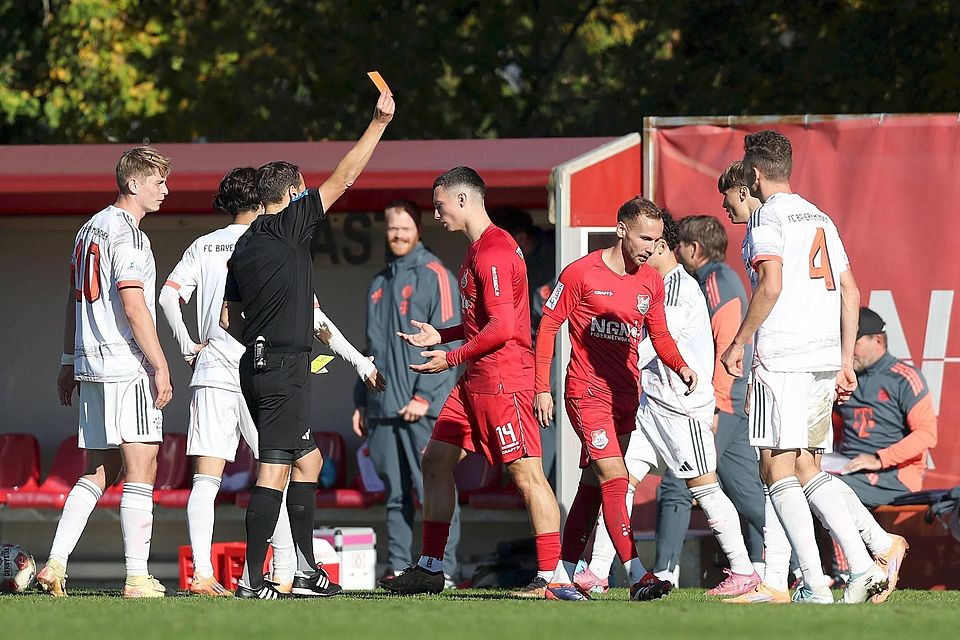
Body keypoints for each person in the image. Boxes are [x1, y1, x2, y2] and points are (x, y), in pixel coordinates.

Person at [221, 91, 394, 600]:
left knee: (309, 462)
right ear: (293, 192)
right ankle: (254, 582)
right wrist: (379, 123)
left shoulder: (245, 244)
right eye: (302, 191)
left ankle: (304, 568)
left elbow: (230, 318)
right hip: (281, 369)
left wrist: (278, 332)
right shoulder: (289, 224)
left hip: (258, 367)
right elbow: (345, 177)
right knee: (274, 467)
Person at [719, 132, 890, 604]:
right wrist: (841, 360)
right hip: (818, 359)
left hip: (782, 357)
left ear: (753, 174)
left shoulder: (766, 217)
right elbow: (851, 292)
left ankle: (818, 580)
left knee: (775, 469)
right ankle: (858, 564)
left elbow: (769, 286)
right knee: (805, 465)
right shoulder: (820, 216)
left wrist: (740, 342)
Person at [385, 167, 563, 598]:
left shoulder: (495, 251)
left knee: (527, 477)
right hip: (475, 380)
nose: (437, 212)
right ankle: (430, 567)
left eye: (440, 203)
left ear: (463, 200)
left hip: (505, 381)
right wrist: (442, 334)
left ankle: (553, 578)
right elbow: (482, 321)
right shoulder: (476, 250)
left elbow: (503, 328)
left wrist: (450, 357)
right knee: (436, 461)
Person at [533, 197, 697, 601]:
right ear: (621, 229)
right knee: (616, 478)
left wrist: (681, 367)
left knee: (593, 486)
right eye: (645, 238)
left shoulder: (650, 282)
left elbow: (659, 335)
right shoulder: (581, 273)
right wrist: (542, 387)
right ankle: (638, 575)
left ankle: (561, 576)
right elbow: (548, 328)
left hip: (627, 396)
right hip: (586, 392)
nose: (651, 248)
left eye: (658, 241)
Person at [41, 146, 174, 598]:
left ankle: (55, 563)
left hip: (92, 365)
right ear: (134, 183)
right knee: (143, 464)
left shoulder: (86, 231)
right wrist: (159, 364)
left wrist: (66, 362)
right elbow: (134, 305)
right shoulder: (130, 235)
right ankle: (137, 576)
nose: (165, 190)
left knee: (102, 468)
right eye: (158, 182)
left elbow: (72, 303)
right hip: (125, 364)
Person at [159, 167, 297, 596]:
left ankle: (202, 573)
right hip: (261, 370)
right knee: (274, 473)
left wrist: (186, 344)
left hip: (213, 369)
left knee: (205, 478)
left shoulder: (203, 244)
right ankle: (287, 568)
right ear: (260, 203)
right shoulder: (271, 243)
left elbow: (167, 295)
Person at [645, 214, 766, 587]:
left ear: (693, 249)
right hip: (730, 398)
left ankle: (664, 571)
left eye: (678, 245)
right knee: (746, 492)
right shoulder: (717, 279)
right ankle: (781, 563)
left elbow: (726, 340)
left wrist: (714, 402)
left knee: (677, 485)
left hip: (722, 399)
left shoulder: (714, 281)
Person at [352, 198, 462, 588]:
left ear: (417, 230)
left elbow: (450, 341)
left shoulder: (436, 275)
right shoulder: (379, 282)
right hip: (382, 408)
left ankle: (443, 569)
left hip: (422, 409)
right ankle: (401, 568)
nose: (397, 235)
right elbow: (370, 348)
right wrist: (361, 401)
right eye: (391, 228)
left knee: (431, 488)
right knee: (395, 495)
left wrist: (426, 397)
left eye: (404, 228)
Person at [488, 206, 558, 481]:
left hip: (555, 362)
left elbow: (551, 317)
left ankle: (550, 494)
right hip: (521, 363)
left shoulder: (555, 255)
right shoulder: (504, 262)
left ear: (520, 236)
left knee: (548, 431)